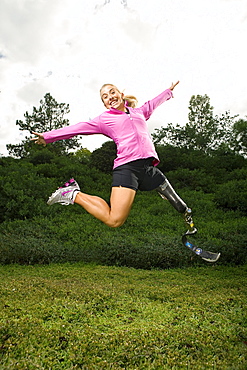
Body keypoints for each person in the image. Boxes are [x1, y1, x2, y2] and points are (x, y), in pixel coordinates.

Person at [31, 81, 194, 230]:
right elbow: (78, 128)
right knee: (114, 220)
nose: (110, 97)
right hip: (127, 168)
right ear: (105, 104)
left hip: (147, 167)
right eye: (105, 97)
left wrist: (168, 92)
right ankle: (73, 194)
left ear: (121, 95)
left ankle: (186, 218)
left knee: (165, 187)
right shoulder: (104, 119)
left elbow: (152, 104)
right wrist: (47, 136)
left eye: (112, 92)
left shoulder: (139, 112)